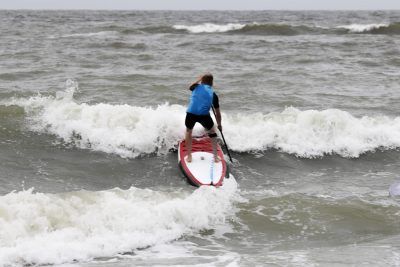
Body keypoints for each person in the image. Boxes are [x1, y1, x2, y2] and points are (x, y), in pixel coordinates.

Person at [185, 73, 222, 163]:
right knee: (213, 132)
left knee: (188, 131)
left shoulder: (195, 87)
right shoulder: (213, 94)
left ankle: (189, 156)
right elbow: (218, 113)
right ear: (212, 82)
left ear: (201, 80)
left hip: (191, 114)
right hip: (204, 116)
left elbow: (190, 86)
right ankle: (216, 157)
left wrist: (199, 79)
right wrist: (219, 125)